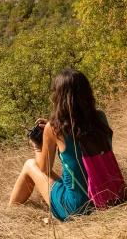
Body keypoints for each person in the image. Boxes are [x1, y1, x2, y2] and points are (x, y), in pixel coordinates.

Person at [9, 68, 116, 220]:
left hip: (76, 207)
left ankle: (9, 214)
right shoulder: (100, 118)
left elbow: (44, 168)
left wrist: (37, 146)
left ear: (59, 97)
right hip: (108, 197)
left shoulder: (54, 129)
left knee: (29, 164)